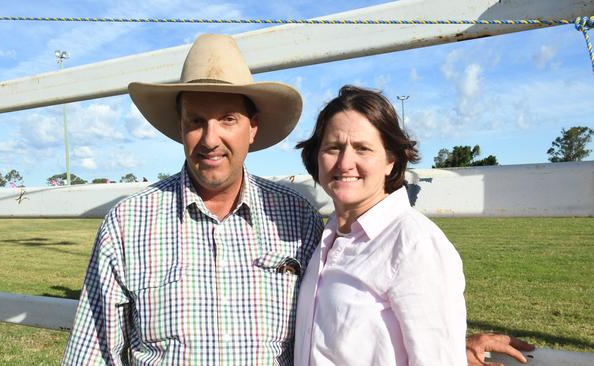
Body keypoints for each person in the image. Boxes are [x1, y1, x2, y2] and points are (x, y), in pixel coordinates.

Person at [62, 34, 533, 365]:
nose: (210, 138)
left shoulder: (295, 218)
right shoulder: (129, 224)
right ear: (179, 129)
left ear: (252, 129)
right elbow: (91, 352)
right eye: (195, 121)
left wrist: (447, 345)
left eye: (227, 118)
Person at [293, 85, 529, 366]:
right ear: (316, 157)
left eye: (363, 149)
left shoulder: (414, 243)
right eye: (333, 147)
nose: (345, 163)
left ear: (390, 161)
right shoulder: (325, 238)